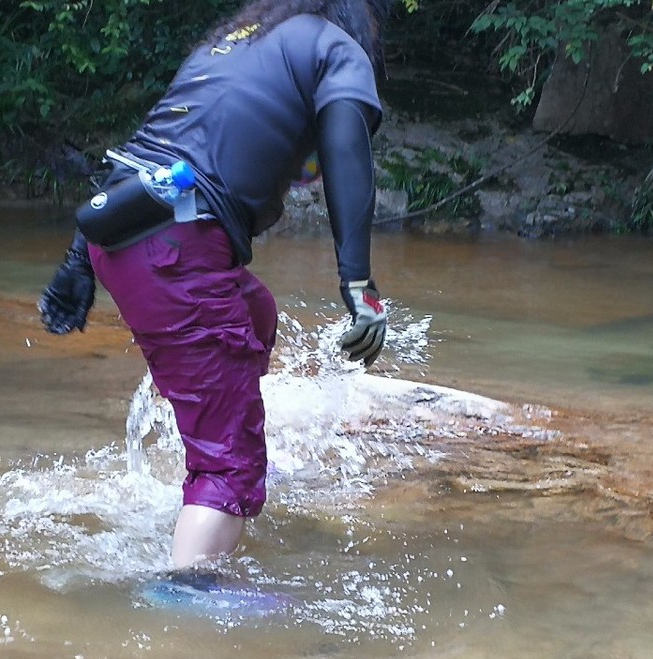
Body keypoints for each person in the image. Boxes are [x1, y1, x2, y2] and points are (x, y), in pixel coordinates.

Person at [38, 0, 391, 572]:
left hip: (123, 233)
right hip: (174, 250)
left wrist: (78, 260)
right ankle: (188, 590)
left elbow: (150, 147)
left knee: (256, 314)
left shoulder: (233, 43)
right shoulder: (336, 48)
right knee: (230, 469)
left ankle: (221, 454)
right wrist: (359, 284)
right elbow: (347, 154)